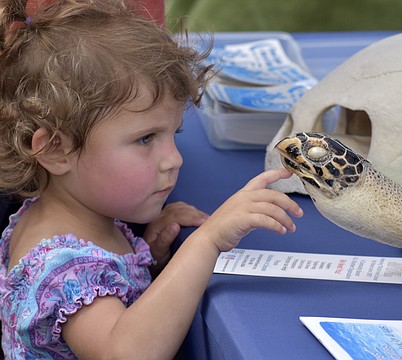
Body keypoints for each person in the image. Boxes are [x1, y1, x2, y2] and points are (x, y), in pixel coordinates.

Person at [0, 0, 303, 358]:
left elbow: (111, 297)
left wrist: (149, 257)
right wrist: (205, 243)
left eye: (174, 133)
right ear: (55, 150)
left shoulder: (75, 217)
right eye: (145, 139)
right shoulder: (63, 267)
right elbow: (126, 352)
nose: (174, 159)